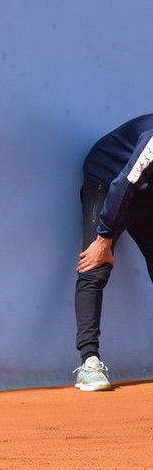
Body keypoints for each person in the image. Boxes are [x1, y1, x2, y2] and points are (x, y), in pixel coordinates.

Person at [73, 114, 153, 391]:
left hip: (147, 193)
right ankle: (89, 363)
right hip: (107, 181)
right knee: (95, 266)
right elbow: (124, 183)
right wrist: (103, 238)